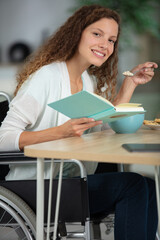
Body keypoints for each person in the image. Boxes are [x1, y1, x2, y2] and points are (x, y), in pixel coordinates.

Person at [0, 4, 158, 240]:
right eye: (97, 34)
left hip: (71, 182)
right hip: (38, 187)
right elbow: (3, 139)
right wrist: (60, 132)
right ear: (77, 33)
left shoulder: (88, 81)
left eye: (112, 39)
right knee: (132, 185)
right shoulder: (46, 77)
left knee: (148, 186)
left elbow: (104, 125)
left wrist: (130, 84)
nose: (105, 45)